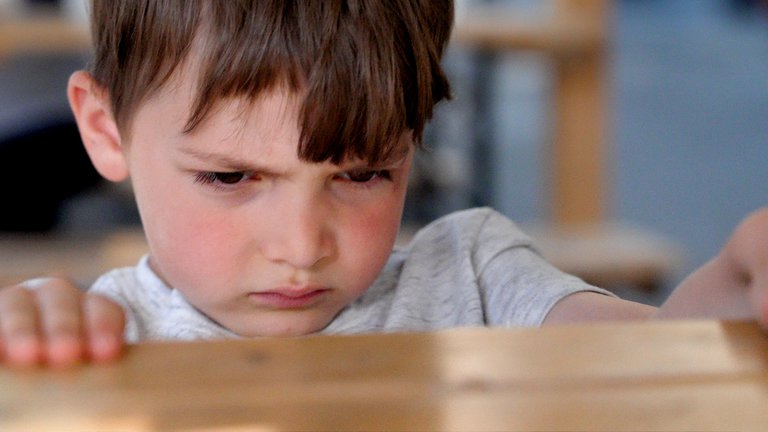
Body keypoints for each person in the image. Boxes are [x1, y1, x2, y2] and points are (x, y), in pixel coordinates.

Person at [0, 0, 766, 368]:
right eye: (230, 177)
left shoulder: (475, 276)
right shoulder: (92, 336)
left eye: (363, 173)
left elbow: (657, 359)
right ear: (104, 131)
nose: (302, 248)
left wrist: (738, 274)